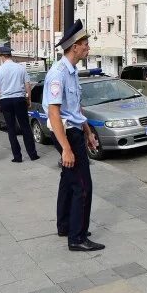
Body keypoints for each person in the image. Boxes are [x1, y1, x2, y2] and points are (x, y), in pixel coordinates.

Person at [42, 19, 104, 252]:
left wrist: (88, 131)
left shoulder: (72, 71)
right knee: (82, 185)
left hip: (75, 130)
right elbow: (54, 112)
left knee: (68, 181)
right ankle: (77, 238)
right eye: (85, 44)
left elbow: (75, 108)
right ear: (74, 47)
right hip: (66, 133)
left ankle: (66, 226)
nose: (88, 48)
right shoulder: (58, 74)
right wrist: (66, 148)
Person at [0, 45, 39, 163]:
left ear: (2, 56)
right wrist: (28, 98)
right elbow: (27, 85)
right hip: (19, 99)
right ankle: (33, 154)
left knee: (11, 128)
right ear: (11, 55)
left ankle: (17, 157)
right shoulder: (20, 68)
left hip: (5, 101)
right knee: (25, 127)